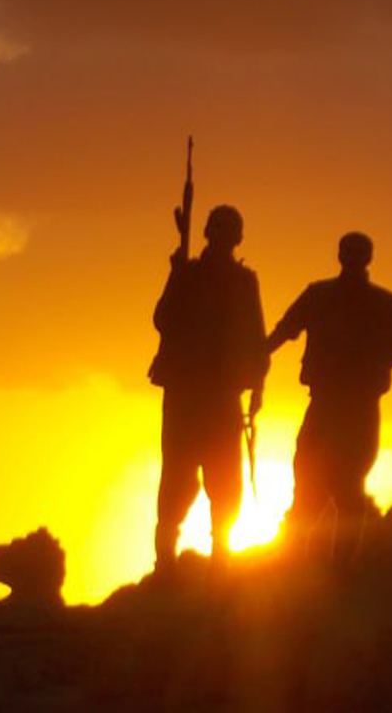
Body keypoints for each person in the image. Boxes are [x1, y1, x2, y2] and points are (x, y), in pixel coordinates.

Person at [266, 231, 392, 550]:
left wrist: (370, 365)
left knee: (345, 486)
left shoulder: (379, 302)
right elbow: (285, 329)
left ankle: (338, 562)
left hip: (357, 407)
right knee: (309, 479)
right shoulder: (323, 295)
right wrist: (256, 355)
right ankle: (298, 554)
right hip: (328, 404)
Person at [149, 204, 268, 573]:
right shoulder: (190, 274)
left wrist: (257, 387)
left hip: (217, 394)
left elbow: (255, 337)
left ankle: (216, 559)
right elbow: (163, 319)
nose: (225, 239)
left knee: (222, 481)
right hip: (190, 394)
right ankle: (169, 561)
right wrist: (177, 274)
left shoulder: (241, 281)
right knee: (180, 480)